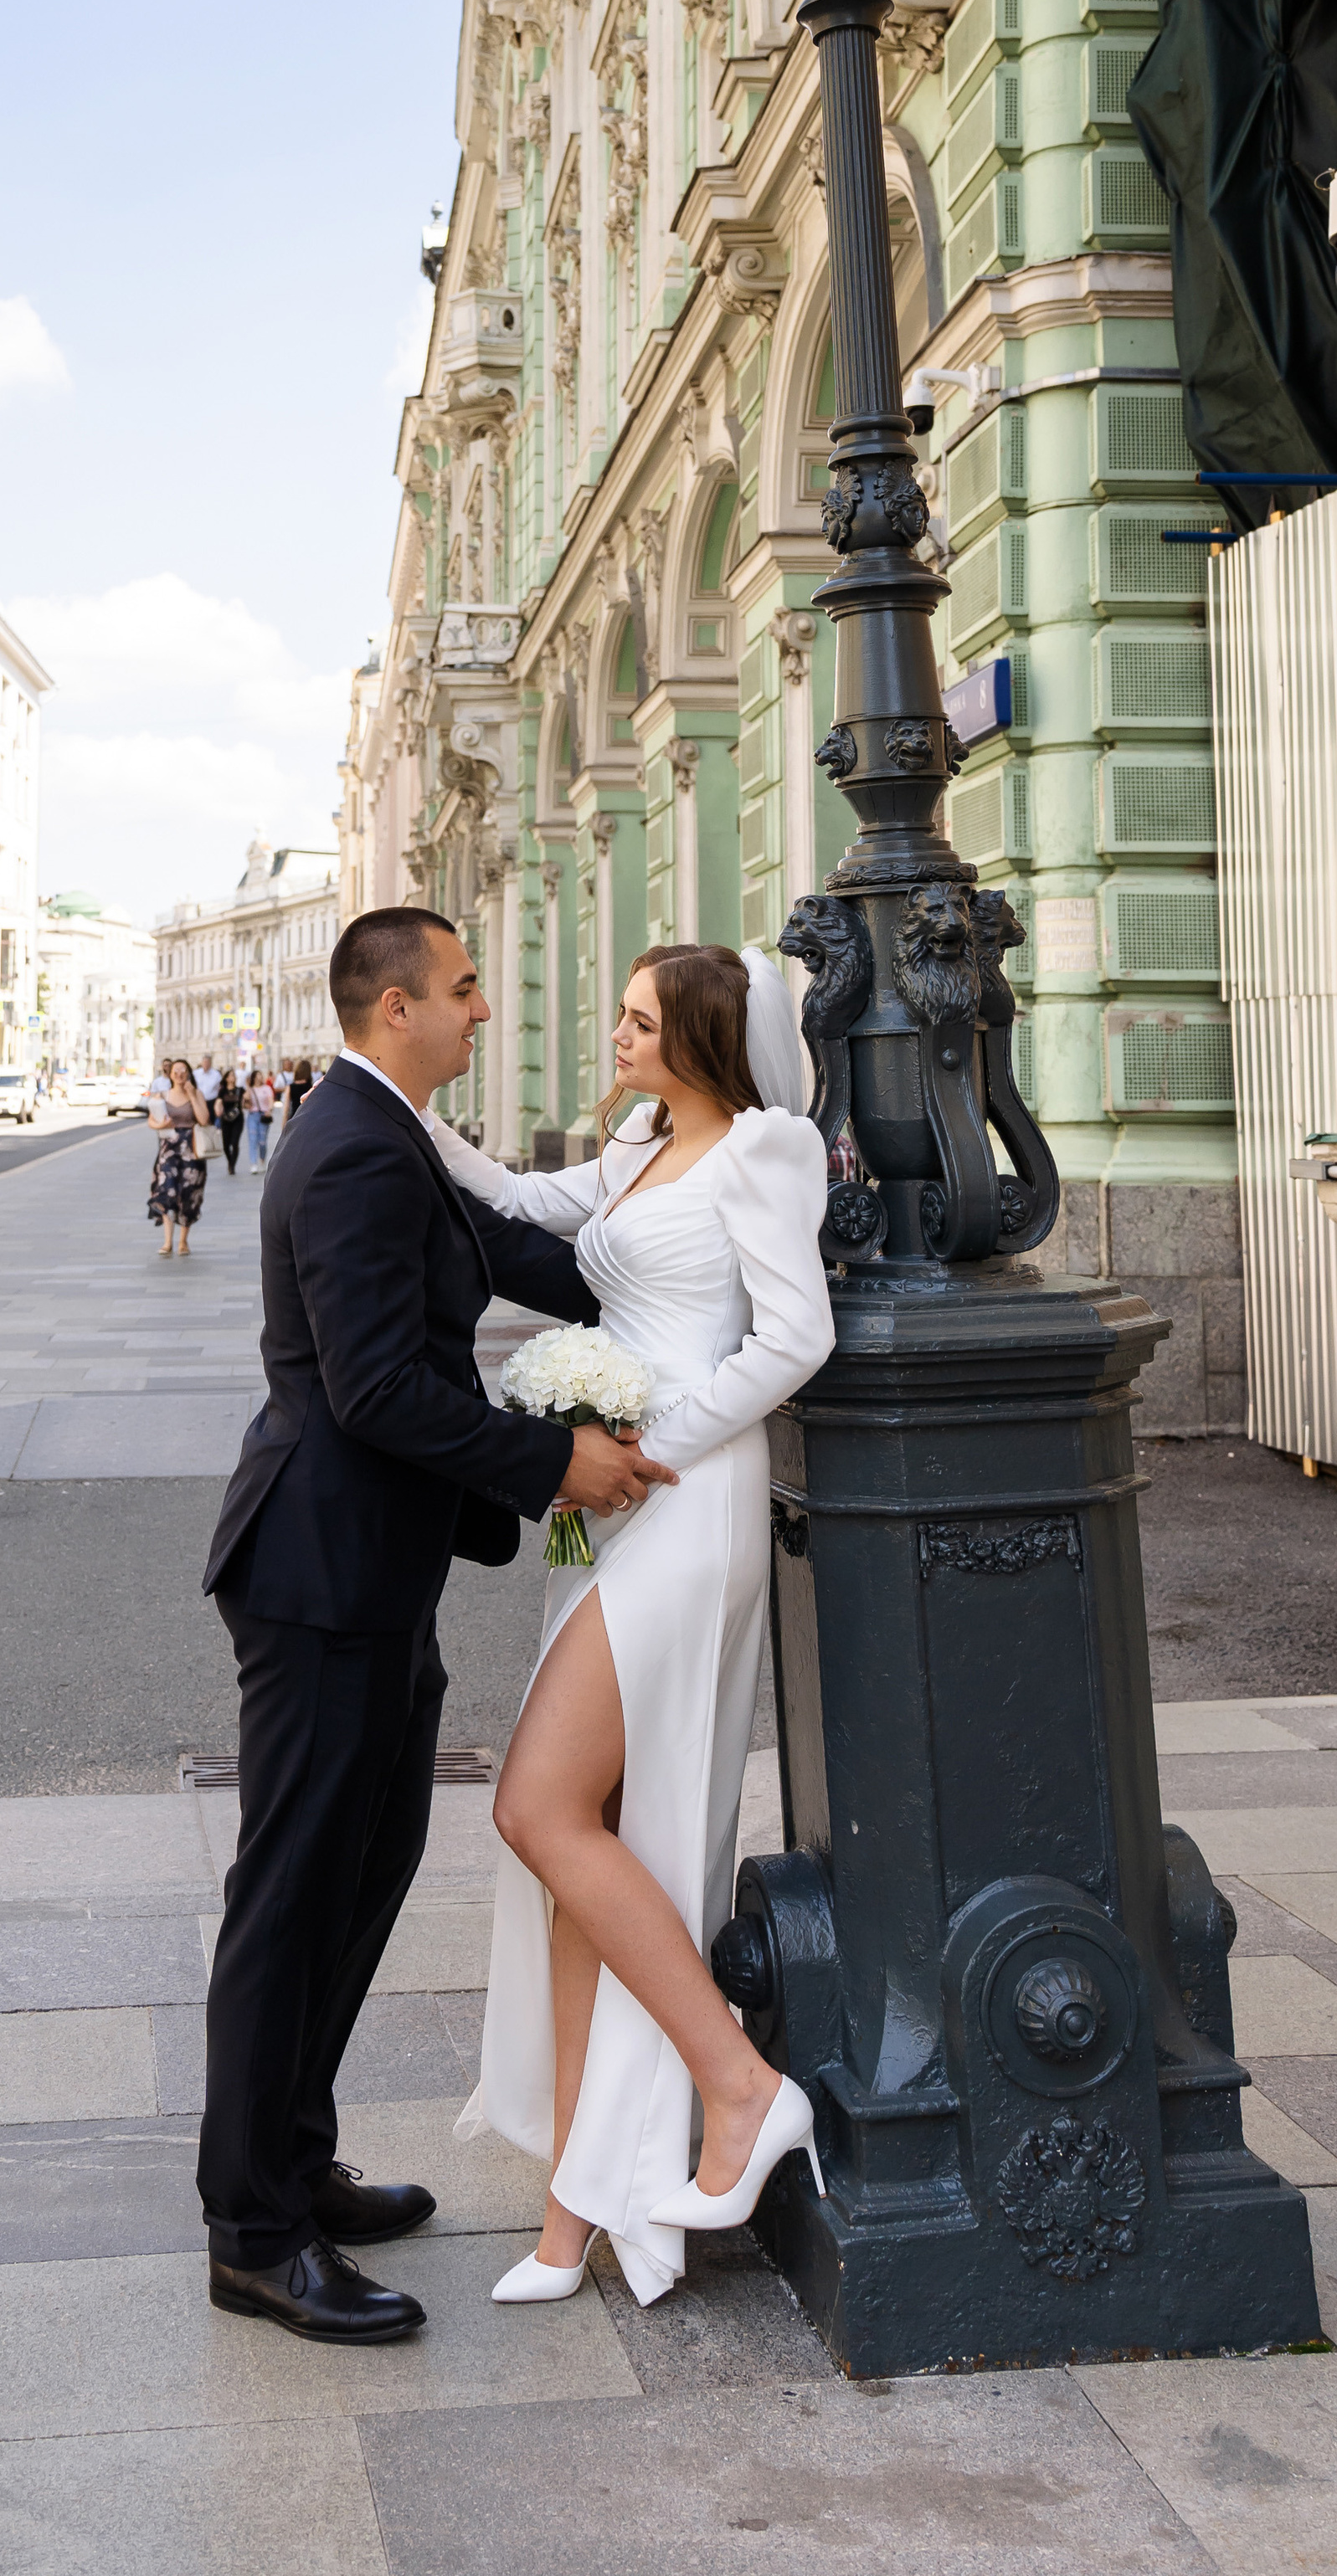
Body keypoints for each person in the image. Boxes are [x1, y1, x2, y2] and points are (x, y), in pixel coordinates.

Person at [195, 908, 673, 2345]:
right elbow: (374, 1389)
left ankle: (294, 2161)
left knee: (366, 1873)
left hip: (376, 1573)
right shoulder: (349, 1147)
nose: (482, 1009)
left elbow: (545, 1265)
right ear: (394, 1007)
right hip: (320, 1573)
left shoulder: (394, 1132)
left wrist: (694, 1213)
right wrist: (552, 1464)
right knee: (293, 1900)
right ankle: (256, 2234)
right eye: (464, 990)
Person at [430, 943, 834, 2307]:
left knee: (539, 1808)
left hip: (685, 1492)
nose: (614, 1031)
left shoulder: (761, 1153)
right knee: (574, 1849)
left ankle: (740, 2087)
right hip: (608, 1508)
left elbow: (793, 1341)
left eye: (639, 1019)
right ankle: (570, 2217)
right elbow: (510, 1195)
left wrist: (652, 1437)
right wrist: (393, 1095)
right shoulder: (636, 1145)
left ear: (701, 1036)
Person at [147, 1059, 212, 1259]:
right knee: (168, 1192)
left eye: (183, 1071)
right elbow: (152, 1119)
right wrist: (160, 1126)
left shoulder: (197, 1093)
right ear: (170, 1074)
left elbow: (203, 1120)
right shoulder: (161, 1095)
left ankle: (183, 1241)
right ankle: (167, 1242)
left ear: (189, 1073)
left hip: (192, 1149)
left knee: (189, 1194)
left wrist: (192, 1094)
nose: (179, 1074)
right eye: (176, 1071)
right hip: (168, 1150)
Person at [244, 1065, 278, 1175]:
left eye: (260, 1075)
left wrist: (270, 1109)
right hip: (253, 1115)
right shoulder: (250, 1090)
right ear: (253, 1078)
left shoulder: (267, 1088)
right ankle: (253, 1164)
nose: (259, 1077)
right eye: (257, 1076)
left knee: (262, 1141)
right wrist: (247, 1088)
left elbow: (270, 1100)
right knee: (253, 1139)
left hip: (264, 1115)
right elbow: (246, 1103)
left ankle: (262, 1160)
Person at [215, 1068, 246, 1179]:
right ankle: (230, 1161)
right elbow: (218, 1102)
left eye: (234, 1075)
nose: (233, 1077)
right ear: (227, 1078)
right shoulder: (222, 1091)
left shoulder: (240, 1090)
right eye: (231, 1075)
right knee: (225, 1145)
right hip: (226, 1119)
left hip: (238, 1119)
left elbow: (245, 1101)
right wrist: (217, 1111)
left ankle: (232, 1165)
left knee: (235, 1142)